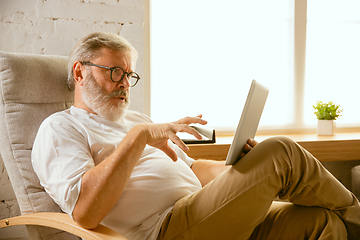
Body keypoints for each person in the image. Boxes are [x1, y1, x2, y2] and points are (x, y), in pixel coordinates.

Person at [31, 32, 360, 240]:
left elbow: (192, 169)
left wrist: (238, 169)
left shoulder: (135, 119)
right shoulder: (60, 129)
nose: (123, 83)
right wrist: (137, 138)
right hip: (165, 230)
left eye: (128, 75)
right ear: (79, 72)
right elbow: (85, 213)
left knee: (321, 223)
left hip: (208, 213)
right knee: (281, 152)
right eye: (114, 72)